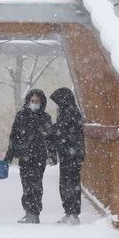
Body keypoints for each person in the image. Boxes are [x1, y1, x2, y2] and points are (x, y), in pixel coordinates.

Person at [3, 88, 52, 224]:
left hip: (39, 157)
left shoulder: (45, 117)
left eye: (37, 101)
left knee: (36, 184)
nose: (35, 103)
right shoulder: (21, 116)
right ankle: (28, 211)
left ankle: (34, 213)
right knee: (26, 184)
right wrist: (8, 157)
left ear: (42, 103)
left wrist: (52, 154)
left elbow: (50, 137)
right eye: (32, 101)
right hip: (24, 156)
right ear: (28, 101)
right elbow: (14, 137)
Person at [49, 87, 84, 225]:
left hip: (71, 155)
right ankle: (69, 212)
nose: (57, 105)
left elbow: (62, 132)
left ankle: (73, 214)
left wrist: (51, 130)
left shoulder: (70, 112)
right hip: (68, 154)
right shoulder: (68, 111)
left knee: (69, 183)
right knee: (67, 183)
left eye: (58, 101)